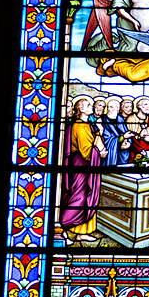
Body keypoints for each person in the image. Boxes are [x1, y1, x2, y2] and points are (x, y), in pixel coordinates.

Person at [60, 97, 102, 244]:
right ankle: (65, 225)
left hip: (80, 165)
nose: (91, 107)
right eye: (88, 105)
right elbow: (88, 153)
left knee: (83, 197)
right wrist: (100, 148)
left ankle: (81, 233)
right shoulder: (81, 127)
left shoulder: (83, 125)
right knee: (80, 197)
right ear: (81, 110)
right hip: (81, 166)